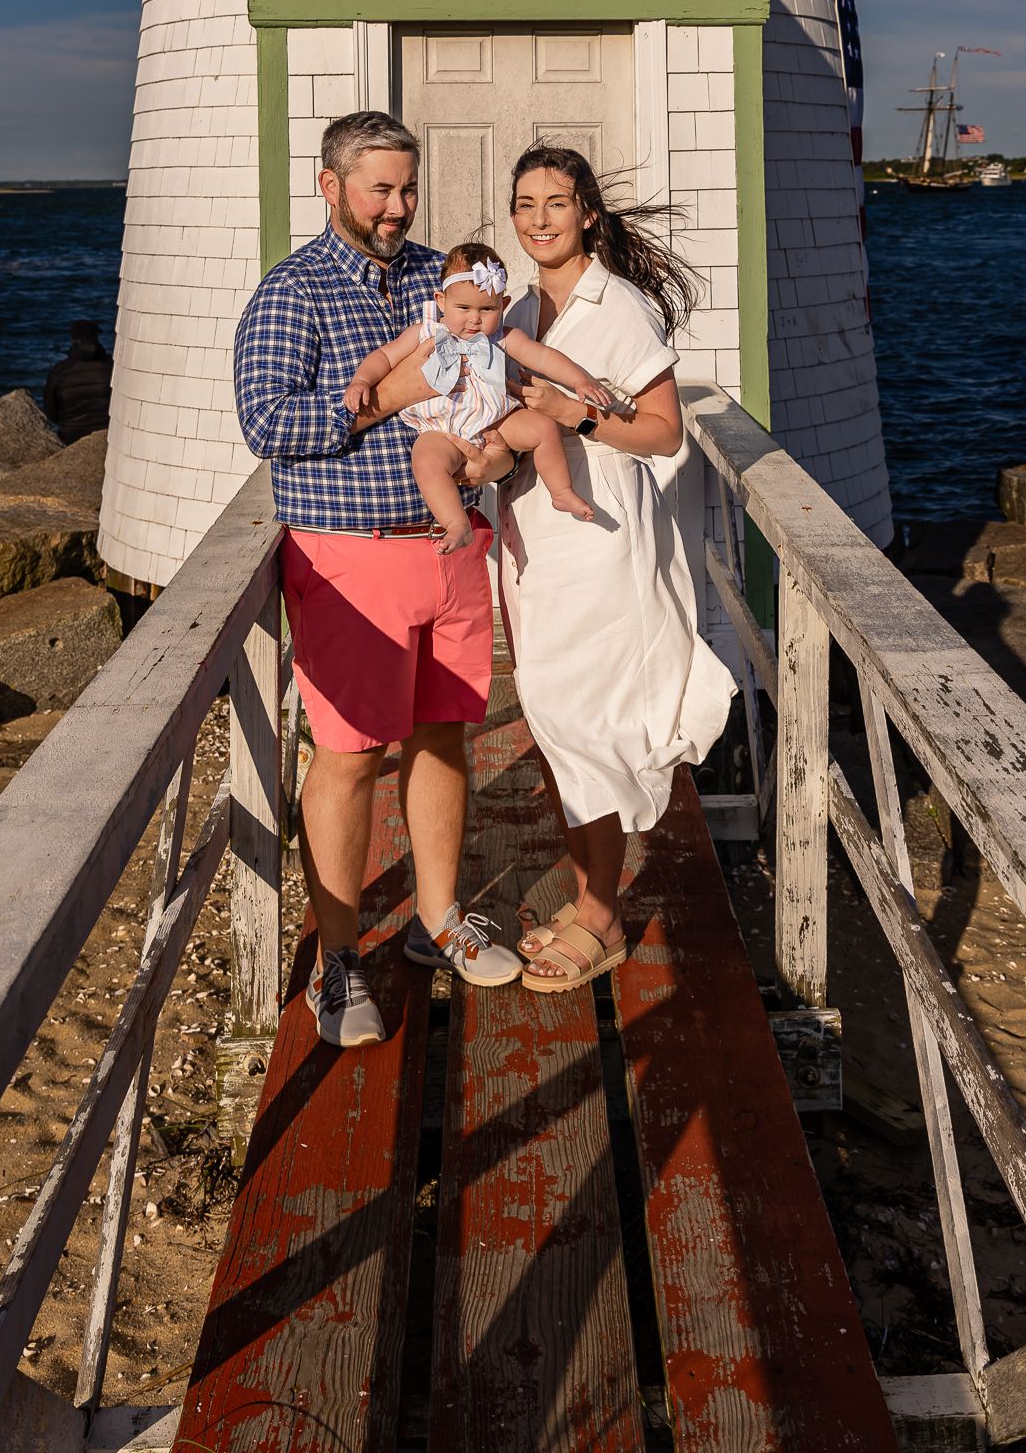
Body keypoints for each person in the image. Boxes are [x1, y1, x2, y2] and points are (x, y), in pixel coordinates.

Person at [233, 112, 523, 1049]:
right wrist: (384, 402)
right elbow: (267, 423)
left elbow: (496, 384)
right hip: (349, 553)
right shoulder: (295, 293)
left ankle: (439, 923)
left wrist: (492, 457)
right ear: (330, 186)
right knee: (352, 757)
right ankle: (339, 963)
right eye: (379, 190)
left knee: (444, 735)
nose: (398, 208)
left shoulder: (450, 279)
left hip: (451, 547)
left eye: (408, 188)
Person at [497, 145, 736, 995]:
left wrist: (580, 416)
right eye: (524, 204)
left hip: (600, 543)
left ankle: (601, 919)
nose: (537, 219)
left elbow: (665, 431)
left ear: (587, 212)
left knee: (585, 721)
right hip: (532, 544)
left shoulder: (620, 306)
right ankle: (591, 897)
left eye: (555, 203)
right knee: (559, 720)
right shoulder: (519, 307)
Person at [343, 238, 619, 550]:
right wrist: (361, 382)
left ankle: (561, 491)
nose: (475, 318)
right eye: (463, 308)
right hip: (440, 428)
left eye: (487, 309)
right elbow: (384, 357)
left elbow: (543, 358)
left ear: (503, 305)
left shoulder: (503, 337)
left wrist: (580, 380)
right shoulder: (426, 331)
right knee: (427, 460)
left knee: (542, 427)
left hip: (494, 422)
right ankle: (456, 522)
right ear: (441, 300)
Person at [43, 321, 113, 442]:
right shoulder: (111, 367)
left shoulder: (60, 371)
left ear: (73, 340)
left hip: (70, 437)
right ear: (96, 338)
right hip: (106, 433)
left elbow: (51, 412)